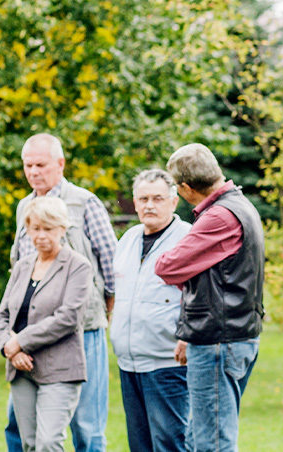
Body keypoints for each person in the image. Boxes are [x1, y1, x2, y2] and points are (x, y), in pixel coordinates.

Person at [7, 133, 118, 452]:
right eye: (27, 165)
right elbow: (19, 267)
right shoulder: (23, 207)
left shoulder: (84, 202)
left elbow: (110, 263)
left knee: (87, 424)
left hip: (82, 330)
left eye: (40, 164)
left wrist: (107, 309)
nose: (33, 171)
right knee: (18, 423)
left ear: (60, 164)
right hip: (29, 334)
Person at [154, 143, 265, 452]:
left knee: (213, 443)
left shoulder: (219, 217)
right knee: (201, 437)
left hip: (218, 341)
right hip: (232, 335)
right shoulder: (241, 205)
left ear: (187, 188)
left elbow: (167, 266)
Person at [0, 196, 91, 452]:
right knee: (29, 443)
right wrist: (8, 347)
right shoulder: (22, 266)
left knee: (49, 443)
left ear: (62, 229)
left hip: (60, 369)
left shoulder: (78, 266)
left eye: (48, 229)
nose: (41, 235)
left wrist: (20, 342)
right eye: (35, 228)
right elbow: (2, 315)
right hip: (21, 371)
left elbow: (68, 317)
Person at [111, 169, 192, 452]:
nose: (149, 205)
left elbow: (203, 296)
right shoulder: (128, 239)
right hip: (128, 363)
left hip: (168, 365)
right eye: (143, 198)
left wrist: (188, 335)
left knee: (171, 443)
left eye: (158, 198)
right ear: (134, 202)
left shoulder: (189, 239)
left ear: (173, 201)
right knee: (139, 445)